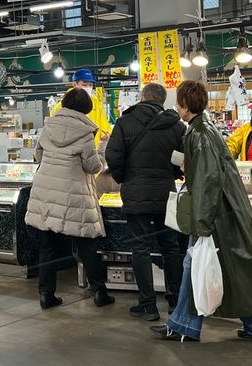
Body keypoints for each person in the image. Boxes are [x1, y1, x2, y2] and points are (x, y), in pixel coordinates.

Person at [151, 80, 252, 342]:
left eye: (179, 102)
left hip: (214, 214)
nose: (177, 107)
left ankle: (183, 326)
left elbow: (207, 181)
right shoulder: (205, 129)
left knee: (196, 264)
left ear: (186, 105)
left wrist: (202, 223)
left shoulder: (199, 135)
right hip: (224, 210)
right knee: (225, 268)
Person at [25, 88, 114, 309]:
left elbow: (38, 156)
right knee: (86, 243)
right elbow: (92, 166)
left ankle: (46, 295)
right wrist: (102, 150)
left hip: (46, 192)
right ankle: (99, 292)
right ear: (86, 109)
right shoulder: (85, 132)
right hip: (74, 193)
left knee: (48, 246)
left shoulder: (49, 126)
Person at [106, 83, 185, 320]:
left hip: (135, 194)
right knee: (170, 246)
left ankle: (148, 305)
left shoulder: (124, 122)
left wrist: (124, 178)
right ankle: (174, 302)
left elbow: (112, 155)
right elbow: (183, 158)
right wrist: (172, 174)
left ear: (141, 98)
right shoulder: (177, 126)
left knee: (140, 248)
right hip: (165, 193)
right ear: (163, 100)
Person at [51, 68, 111, 145]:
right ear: (74, 85)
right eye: (84, 85)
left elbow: (104, 127)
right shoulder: (60, 107)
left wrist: (105, 136)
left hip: (92, 150)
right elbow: (53, 131)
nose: (88, 88)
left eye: (90, 85)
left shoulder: (96, 104)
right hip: (70, 152)